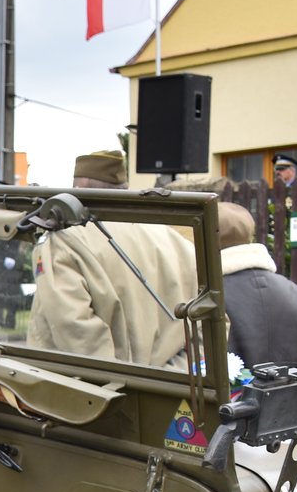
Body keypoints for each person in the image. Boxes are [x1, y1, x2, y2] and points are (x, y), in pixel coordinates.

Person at [26, 149, 198, 367]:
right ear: (124, 188)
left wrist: (118, 390)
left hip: (101, 391)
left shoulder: (65, 242)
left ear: (76, 189)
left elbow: (75, 330)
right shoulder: (176, 241)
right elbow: (206, 323)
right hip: (170, 387)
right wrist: (175, 373)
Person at [215, 201, 297, 372]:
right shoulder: (296, 294)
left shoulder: (205, 297)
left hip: (229, 399)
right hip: (291, 399)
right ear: (250, 235)